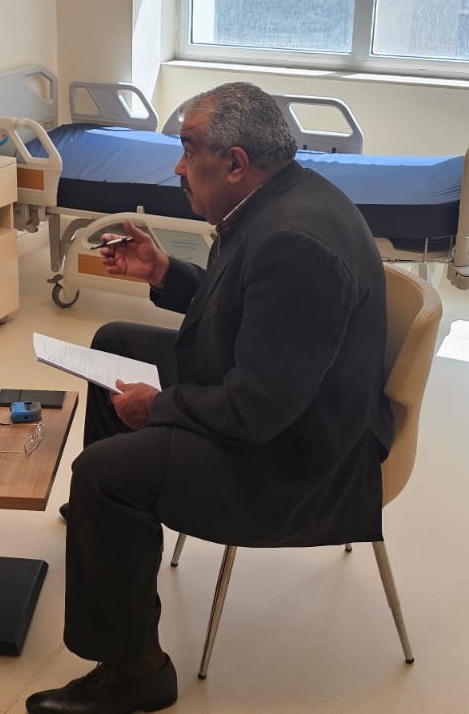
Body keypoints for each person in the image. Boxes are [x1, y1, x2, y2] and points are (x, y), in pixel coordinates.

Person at [26, 83, 392, 714]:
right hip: (282, 403)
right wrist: (164, 272)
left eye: (188, 148)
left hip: (295, 461)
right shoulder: (274, 202)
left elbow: (257, 410)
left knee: (103, 475)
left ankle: (137, 671)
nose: (177, 166)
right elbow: (248, 310)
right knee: (115, 341)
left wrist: (158, 407)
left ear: (236, 163)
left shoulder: (293, 242)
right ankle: (108, 527)